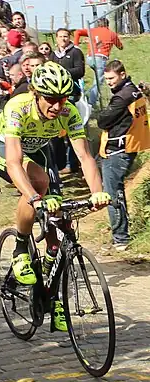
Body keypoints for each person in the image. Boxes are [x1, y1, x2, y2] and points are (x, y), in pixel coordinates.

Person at [0, 62, 110, 329]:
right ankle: (20, 248)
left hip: (38, 151)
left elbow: (85, 157)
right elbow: (14, 162)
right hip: (3, 149)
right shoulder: (18, 107)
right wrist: (33, 197)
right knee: (39, 184)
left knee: (60, 218)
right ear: (36, 93)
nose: (57, 106)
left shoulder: (69, 111)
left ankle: (52, 295)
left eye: (62, 99)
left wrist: (97, 193)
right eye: (51, 99)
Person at [97, 60, 150, 251]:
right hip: (128, 147)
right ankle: (118, 232)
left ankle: (120, 238)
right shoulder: (134, 90)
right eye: (106, 79)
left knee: (113, 195)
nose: (109, 82)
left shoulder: (122, 98)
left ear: (122, 74)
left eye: (111, 78)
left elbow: (103, 121)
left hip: (118, 151)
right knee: (109, 188)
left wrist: (102, 115)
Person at [49, 28, 85, 174]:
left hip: (71, 94)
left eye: (66, 36)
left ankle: (73, 163)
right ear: (56, 38)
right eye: (60, 36)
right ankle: (58, 163)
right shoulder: (53, 54)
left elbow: (80, 71)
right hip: (55, 95)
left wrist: (62, 73)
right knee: (56, 132)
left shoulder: (75, 52)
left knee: (71, 131)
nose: (63, 39)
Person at [74, 17, 123, 107]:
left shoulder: (92, 30)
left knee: (95, 79)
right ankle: (90, 104)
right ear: (107, 25)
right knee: (97, 83)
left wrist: (76, 46)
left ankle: (89, 96)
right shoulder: (112, 34)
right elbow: (120, 46)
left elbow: (77, 32)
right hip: (101, 59)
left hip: (90, 58)